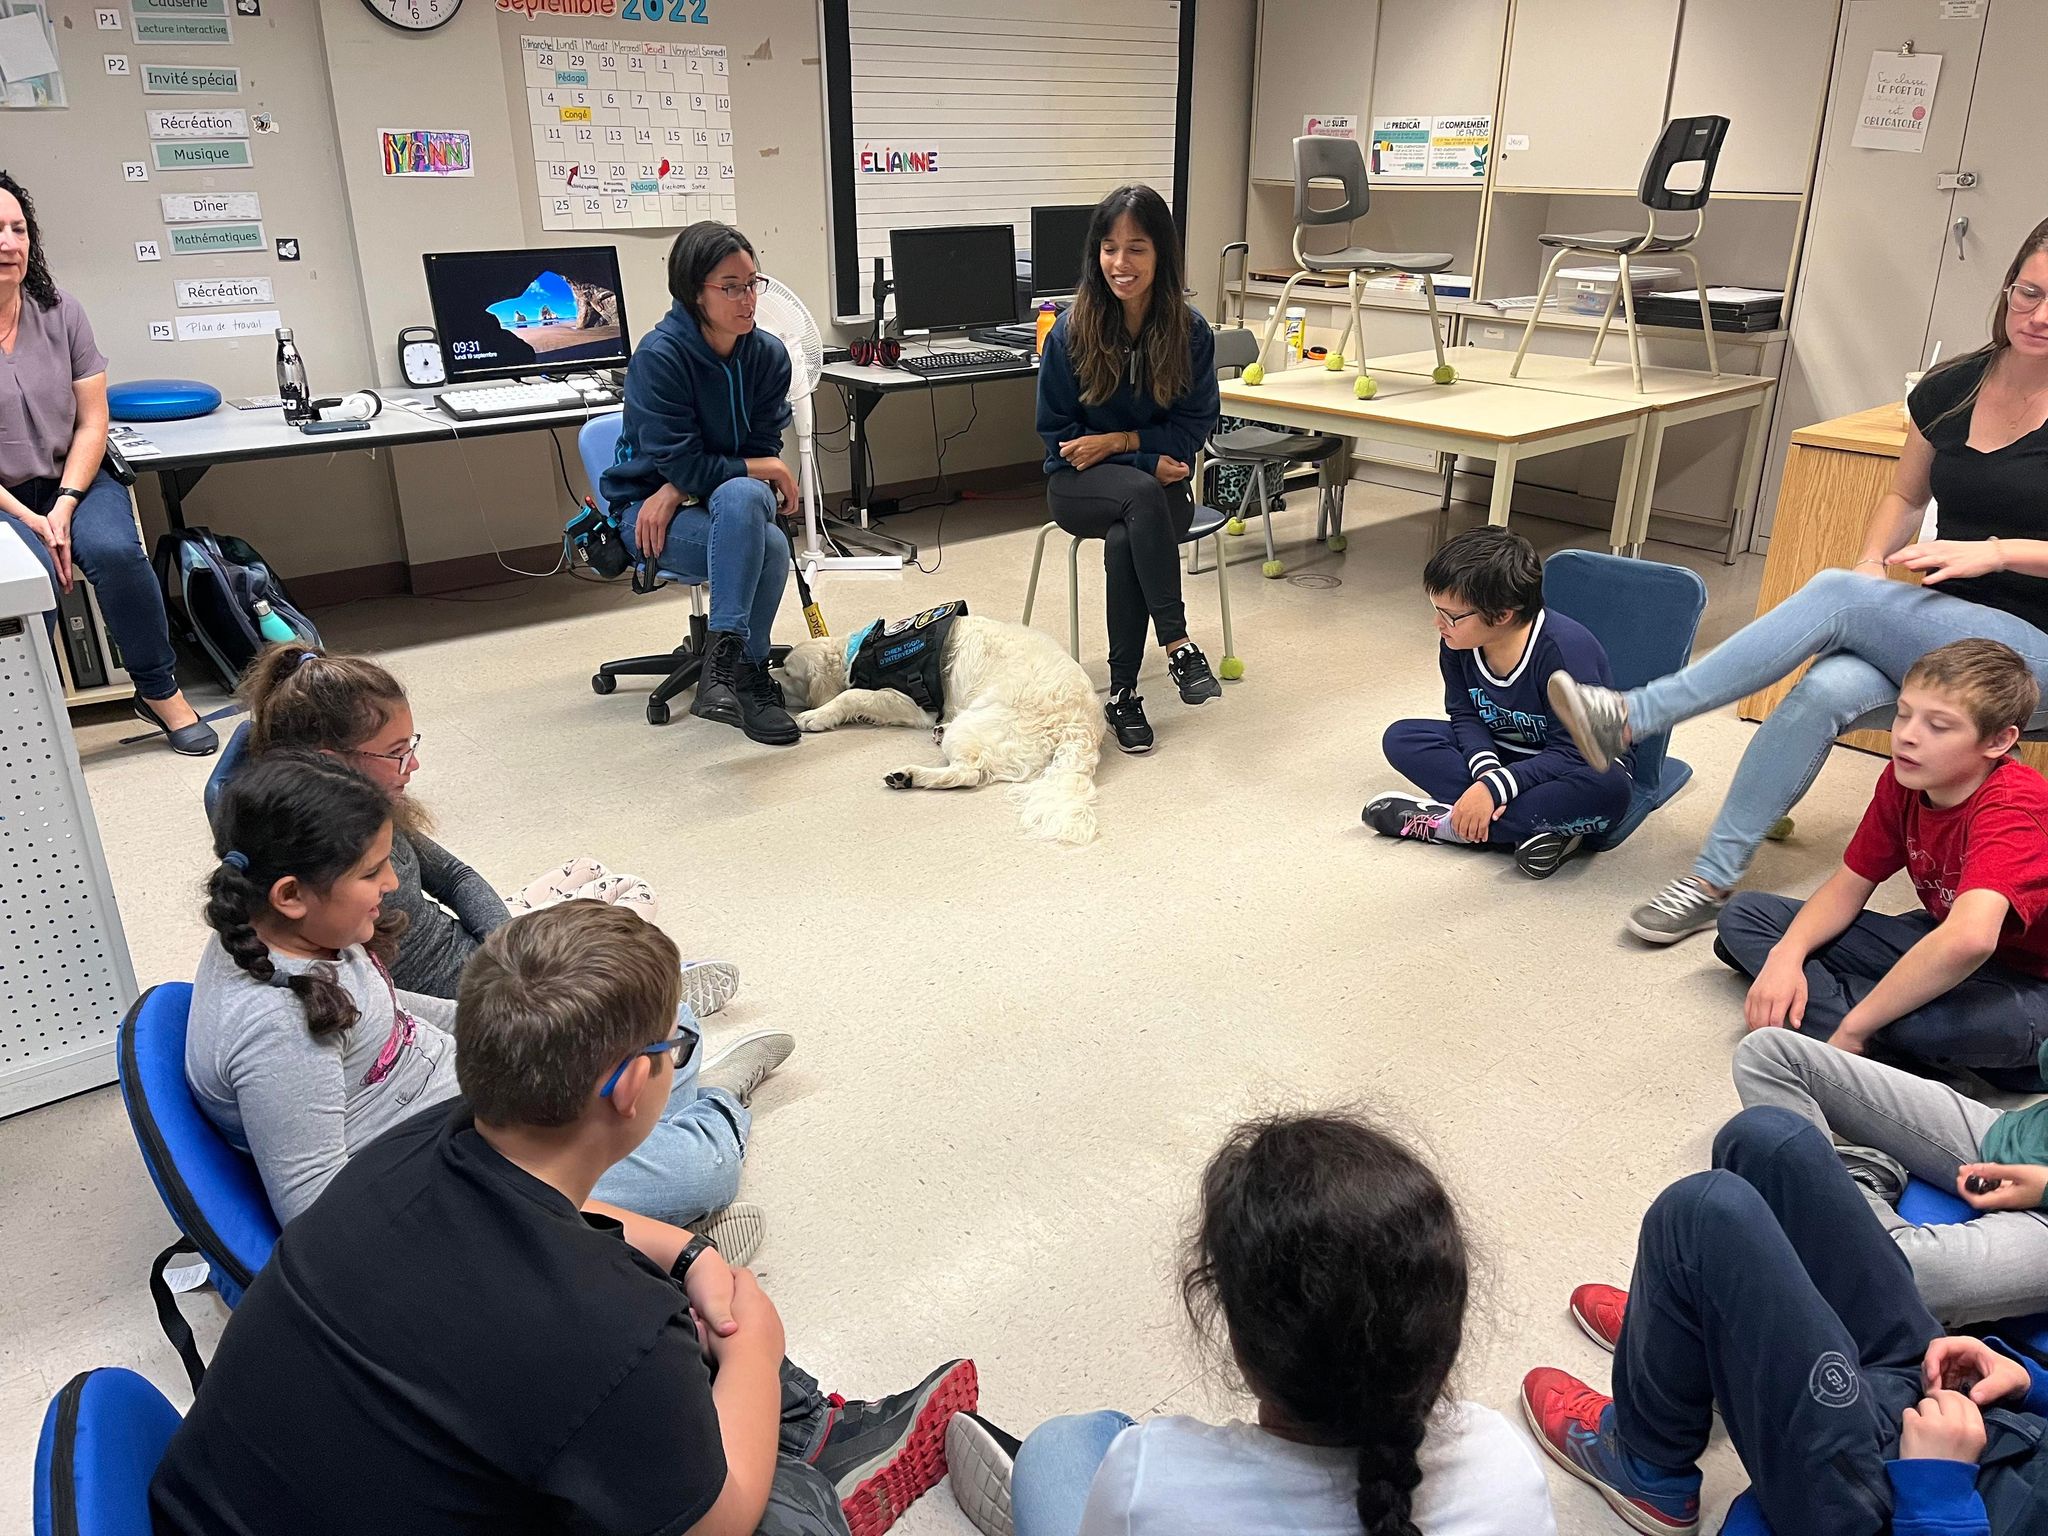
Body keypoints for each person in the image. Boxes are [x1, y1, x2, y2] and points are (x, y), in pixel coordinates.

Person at [153, 898, 979, 1536]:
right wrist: (755, 1350)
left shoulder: (415, 1142)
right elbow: (718, 1524)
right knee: (767, 1504)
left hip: (218, 1508)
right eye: (673, 1051)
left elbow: (577, 1222)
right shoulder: (612, 1327)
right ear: (632, 1086)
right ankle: (810, 1469)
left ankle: (812, 1430)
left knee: (675, 1327)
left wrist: (690, 1254)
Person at [1549, 215, 2048, 946]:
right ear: (2007, 288)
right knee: (1825, 689)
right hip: (1947, 635)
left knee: (1838, 596)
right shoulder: (1953, 388)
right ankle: (1711, 880)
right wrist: (1873, 560)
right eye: (2029, 293)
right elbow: (1905, 496)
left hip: (2035, 654)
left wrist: (1999, 552)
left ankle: (1631, 715)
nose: (2040, 315)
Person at [189, 749, 785, 1234]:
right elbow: (317, 1215)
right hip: (468, 1166)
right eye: (371, 873)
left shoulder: (305, 932)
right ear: (291, 894)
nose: (392, 883)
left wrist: (503, 1028)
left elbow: (391, 1010)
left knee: (665, 1017)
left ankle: (657, 1138)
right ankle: (715, 1109)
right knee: (703, 1168)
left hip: (483, 1094)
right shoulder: (280, 1032)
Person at [941, 1111, 1555, 1536]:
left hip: (1134, 1504)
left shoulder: (1151, 1480)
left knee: (1063, 1446)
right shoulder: (1503, 1464)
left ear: (1240, 1340)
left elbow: (1147, 1486)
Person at [1523, 1105, 2048, 1535]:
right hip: (1980, 1418)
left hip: (1907, 1503)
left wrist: (1938, 1494)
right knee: (1769, 1140)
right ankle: (1693, 1339)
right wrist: (2027, 1380)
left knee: (1700, 1215)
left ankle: (1646, 1466)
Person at [232, 641, 742, 1015]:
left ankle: (609, 976)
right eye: (396, 752)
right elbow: (379, 999)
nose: (413, 765)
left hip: (484, 957)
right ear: (331, 762)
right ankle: (643, 997)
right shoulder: (323, 878)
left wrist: (503, 941)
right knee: (629, 907)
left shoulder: (366, 814)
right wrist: (516, 981)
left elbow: (454, 876)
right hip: (473, 992)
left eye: (411, 746)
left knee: (591, 873)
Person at [1714, 639, 2048, 1089]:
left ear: (1999, 741)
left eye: (1939, 726)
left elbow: (1970, 940)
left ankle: (1870, 1040)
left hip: (2031, 979)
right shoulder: (1906, 777)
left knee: (1922, 1026)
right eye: (1904, 713)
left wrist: (1855, 1028)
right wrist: (1786, 957)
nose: (1907, 735)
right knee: (1746, 919)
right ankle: (1905, 1063)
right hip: (1942, 940)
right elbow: (1850, 884)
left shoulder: (2015, 806)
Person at [0, 168, 214, 755]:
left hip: (75, 479)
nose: (8, 243)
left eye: (18, 229)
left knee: (117, 553)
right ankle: (26, 720)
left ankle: (159, 691)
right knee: (32, 580)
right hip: (5, 500)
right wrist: (34, 521)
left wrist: (65, 504)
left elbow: (93, 421)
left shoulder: (60, 311)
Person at [1036, 183, 1224, 755]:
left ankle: (1121, 694)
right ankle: (1178, 643)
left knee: (1127, 535)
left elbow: (1194, 430)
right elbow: (1062, 441)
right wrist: (1142, 456)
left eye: (1137, 248)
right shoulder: (1071, 331)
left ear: (1161, 253)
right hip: (1078, 488)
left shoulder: (1190, 332)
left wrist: (1118, 442)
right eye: (1109, 248)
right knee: (1139, 495)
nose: (1121, 263)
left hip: (1160, 492)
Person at [602, 220, 800, 746]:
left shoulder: (768, 356)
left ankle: (725, 666)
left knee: (747, 496)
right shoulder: (660, 357)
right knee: (766, 533)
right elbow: (742, 464)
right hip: (645, 516)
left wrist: (681, 486)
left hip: (707, 503)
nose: (748, 299)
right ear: (695, 292)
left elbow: (755, 451)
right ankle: (744, 669)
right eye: (730, 287)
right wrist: (690, 480)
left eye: (752, 283)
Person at [1363, 526, 1632, 879]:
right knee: (1402, 738)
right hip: (1502, 754)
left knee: (1610, 790)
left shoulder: (1566, 651)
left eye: (1450, 615)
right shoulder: (1457, 641)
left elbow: (1575, 752)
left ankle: (1446, 825)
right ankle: (1543, 828)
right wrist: (1488, 776)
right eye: (1436, 608)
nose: (1437, 623)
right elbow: (1464, 714)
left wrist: (1493, 790)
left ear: (1503, 614)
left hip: (1573, 763)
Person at [1733, 1027, 2048, 1326]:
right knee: (1768, 1054)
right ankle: (1834, 1199)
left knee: (1896, 1274)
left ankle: (1850, 1182)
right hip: (2021, 1135)